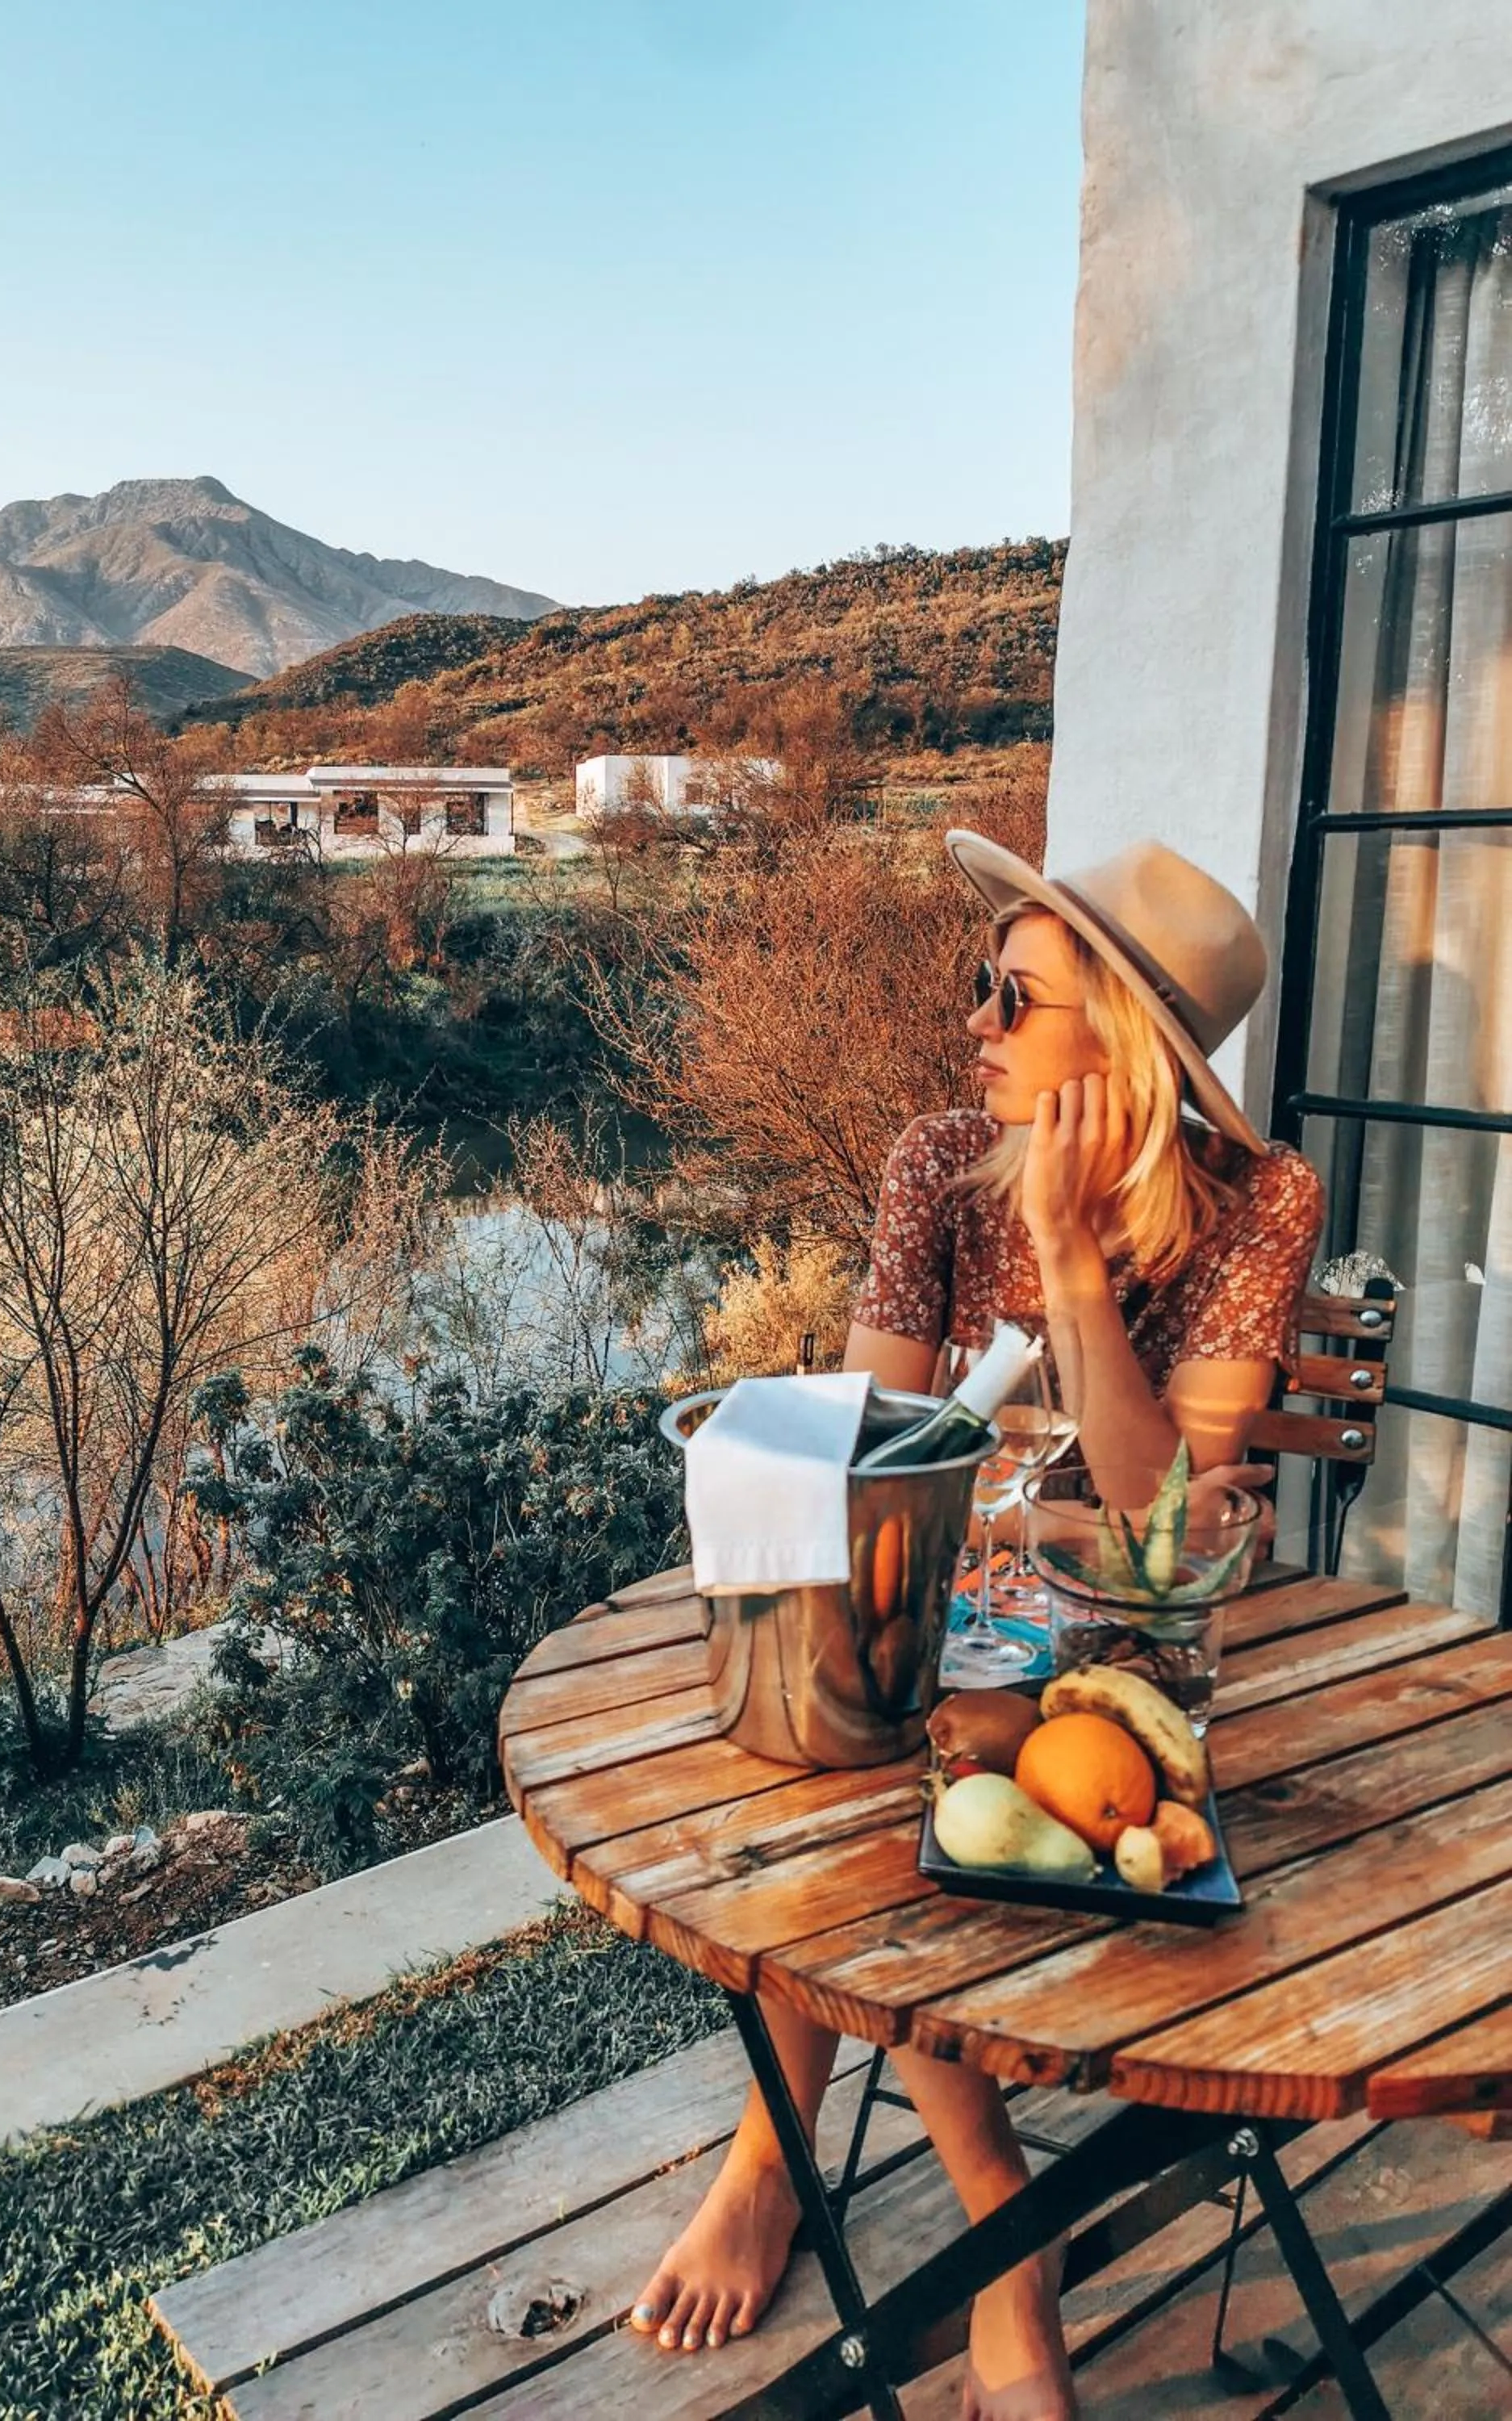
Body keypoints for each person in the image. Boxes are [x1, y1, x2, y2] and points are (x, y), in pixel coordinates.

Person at [629, 830, 1325, 2421]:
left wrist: (1074, 1262)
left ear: (1119, 1055)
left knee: (898, 1783)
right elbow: (872, 1461)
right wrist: (1016, 1516)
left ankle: (788, 2164)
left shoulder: (1263, 1202)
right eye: (982, 989)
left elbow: (1158, 1556)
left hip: (1130, 1668)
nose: (976, 1027)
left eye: (1015, 1000)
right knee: (857, 1734)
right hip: (949, 1619)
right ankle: (1002, 2227)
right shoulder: (936, 1161)